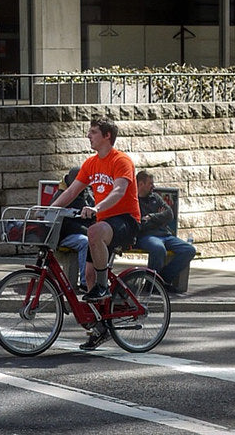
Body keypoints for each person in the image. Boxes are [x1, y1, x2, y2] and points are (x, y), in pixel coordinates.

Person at [50, 115, 140, 350]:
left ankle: (102, 286)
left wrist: (97, 208)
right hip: (104, 224)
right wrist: (46, 212)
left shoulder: (121, 161)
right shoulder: (90, 163)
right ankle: (100, 328)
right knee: (87, 274)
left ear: (107, 136)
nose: (89, 136)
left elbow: (119, 191)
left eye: (93, 132)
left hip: (126, 221)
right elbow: (71, 193)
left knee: (94, 231)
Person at [135, 170, 196, 293]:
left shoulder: (156, 197)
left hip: (164, 235)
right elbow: (140, 224)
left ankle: (160, 281)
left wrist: (151, 217)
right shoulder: (133, 200)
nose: (153, 186)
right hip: (146, 237)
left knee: (188, 250)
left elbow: (169, 214)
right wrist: (158, 217)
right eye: (150, 184)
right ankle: (152, 284)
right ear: (141, 184)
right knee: (158, 248)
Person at [51, 167, 92, 292]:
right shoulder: (61, 195)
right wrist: (87, 230)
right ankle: (85, 282)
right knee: (85, 242)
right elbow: (67, 225)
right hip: (64, 235)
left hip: (82, 230)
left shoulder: (86, 195)